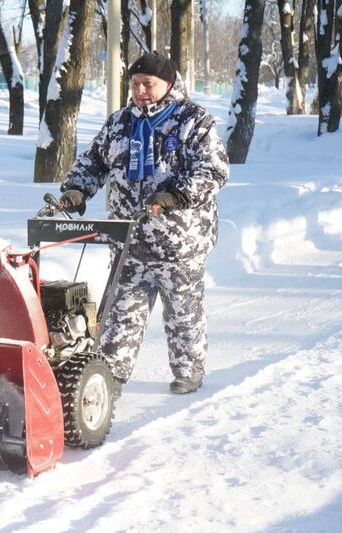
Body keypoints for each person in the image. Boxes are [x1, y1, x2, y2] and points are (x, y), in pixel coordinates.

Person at [58, 52, 229, 394]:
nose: (140, 91)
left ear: (168, 84)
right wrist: (77, 189)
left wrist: (175, 195)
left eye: (147, 84)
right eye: (135, 84)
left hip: (179, 243)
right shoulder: (120, 122)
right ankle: (110, 377)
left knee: (183, 313)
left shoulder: (193, 121)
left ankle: (188, 371)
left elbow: (214, 170)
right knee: (121, 313)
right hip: (129, 240)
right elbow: (94, 162)